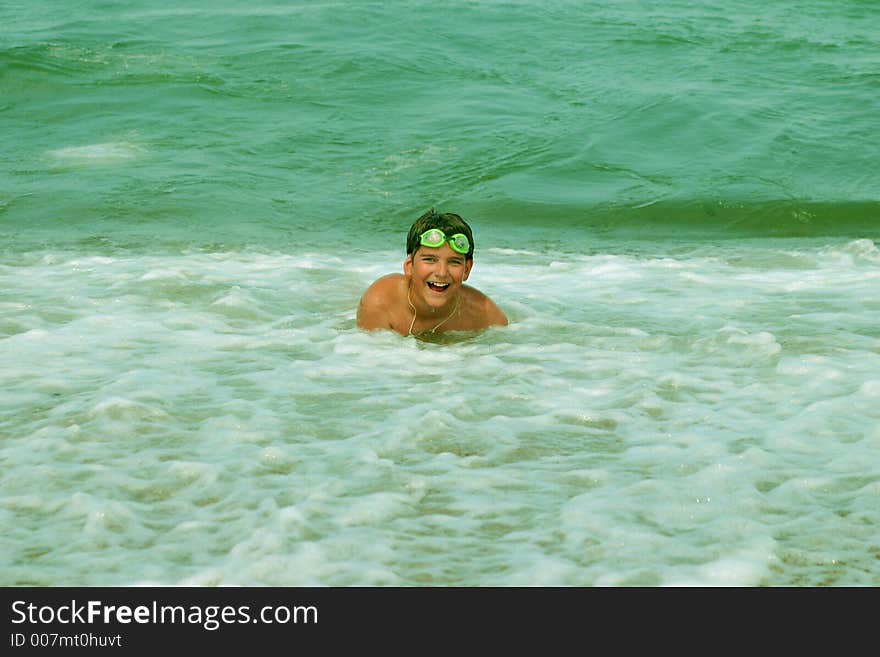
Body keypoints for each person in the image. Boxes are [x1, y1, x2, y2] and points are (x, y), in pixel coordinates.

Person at [357, 208, 508, 336]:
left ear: (467, 270)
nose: (442, 272)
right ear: (409, 266)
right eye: (430, 260)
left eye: (454, 262)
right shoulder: (381, 303)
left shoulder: (486, 317)